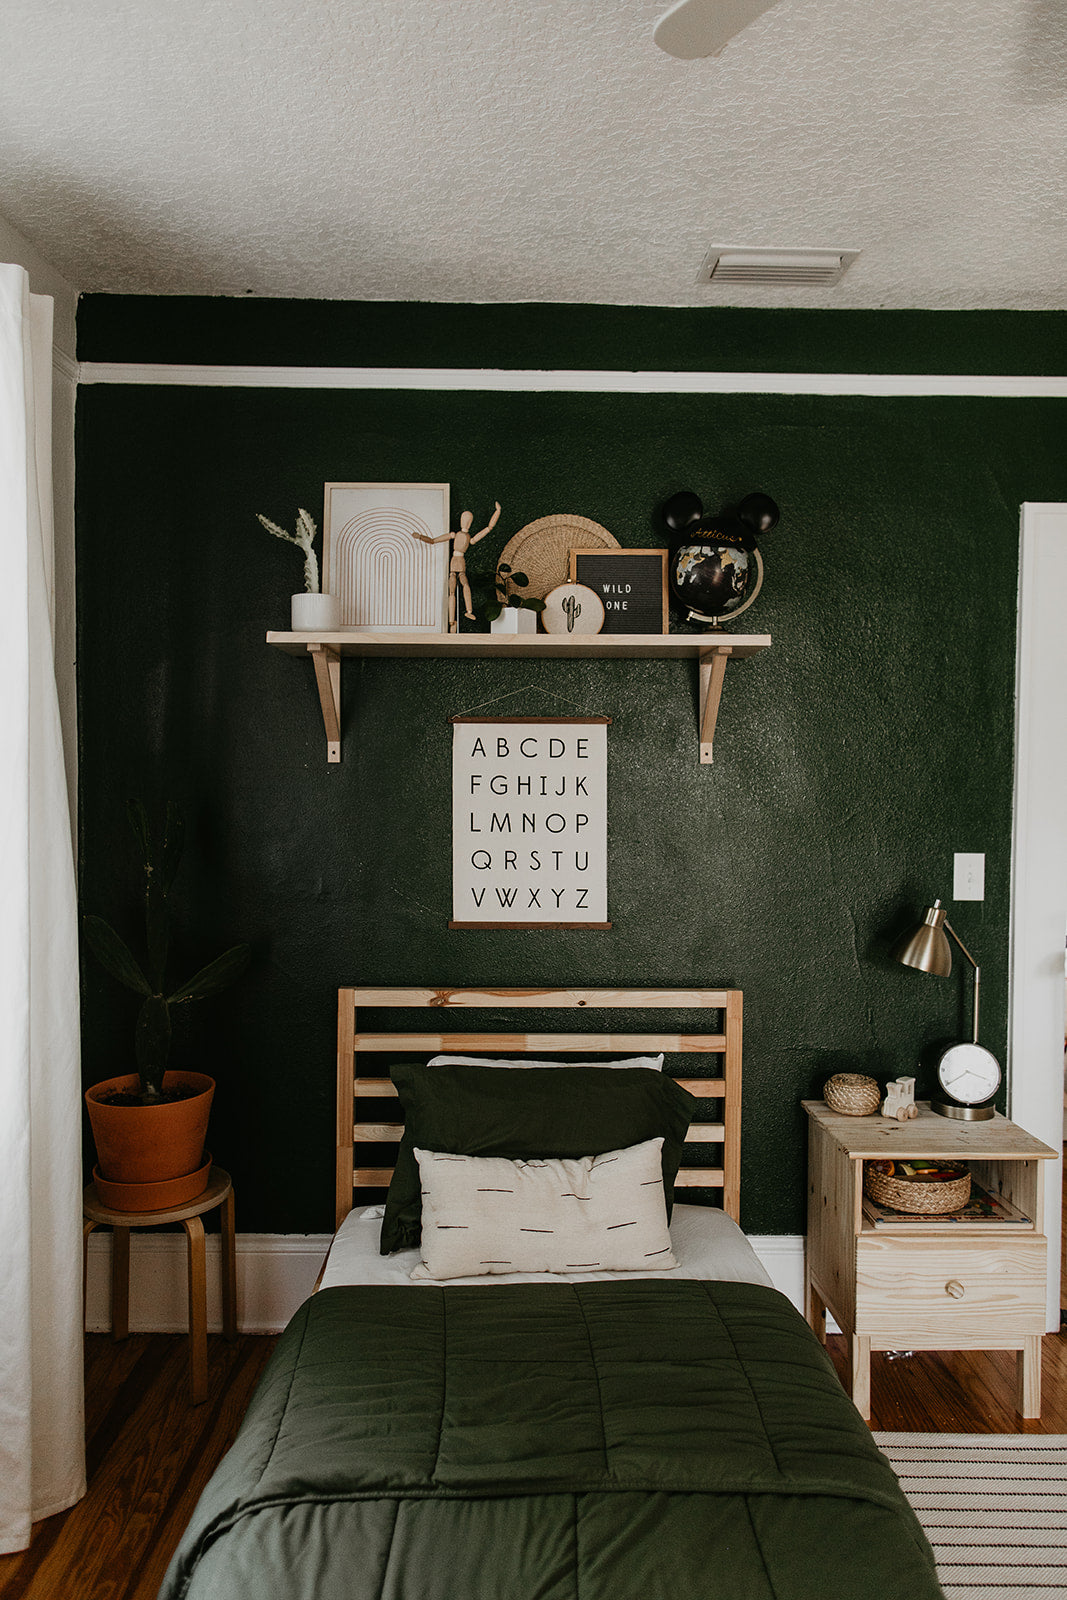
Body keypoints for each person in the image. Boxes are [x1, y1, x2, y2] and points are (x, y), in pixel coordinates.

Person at [414, 501, 501, 631]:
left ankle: (468, 611)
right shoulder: (457, 535)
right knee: (454, 589)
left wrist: (497, 512)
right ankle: (452, 620)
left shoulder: (466, 537)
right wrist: (421, 537)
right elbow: (433, 541)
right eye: (464, 519)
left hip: (459, 560)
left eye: (467, 520)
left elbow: (488, 528)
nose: (465, 522)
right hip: (455, 560)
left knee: (461, 586)